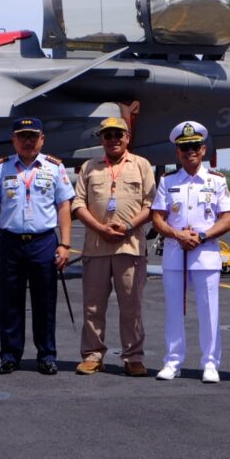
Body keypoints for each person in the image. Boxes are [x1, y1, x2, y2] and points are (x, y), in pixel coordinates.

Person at [0, 118, 74, 375]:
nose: (28, 141)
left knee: (45, 301)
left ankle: (46, 355)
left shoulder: (55, 167)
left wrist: (65, 244)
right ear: (14, 140)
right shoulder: (1, 168)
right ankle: (10, 355)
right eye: (22, 136)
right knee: (10, 301)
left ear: (42, 139)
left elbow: (64, 206)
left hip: (43, 240)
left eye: (33, 136)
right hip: (11, 240)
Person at [72, 117, 156, 376]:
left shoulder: (141, 165)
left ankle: (133, 356)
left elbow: (151, 205)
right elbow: (78, 205)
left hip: (129, 246)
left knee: (131, 306)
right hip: (96, 246)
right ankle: (92, 355)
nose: (113, 140)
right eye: (108, 135)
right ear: (101, 139)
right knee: (93, 306)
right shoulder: (89, 167)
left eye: (118, 134)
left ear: (127, 137)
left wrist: (129, 226)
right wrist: (101, 228)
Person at [150, 121, 230, 383]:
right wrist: (177, 234)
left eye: (195, 146)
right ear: (177, 153)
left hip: (205, 253)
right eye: (184, 148)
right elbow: (158, 218)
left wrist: (202, 236)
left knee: (209, 312)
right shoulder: (168, 182)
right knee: (174, 311)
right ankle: (173, 360)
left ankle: (210, 363)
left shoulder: (216, 181)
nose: (190, 152)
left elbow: (227, 219)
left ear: (204, 150)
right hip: (176, 252)